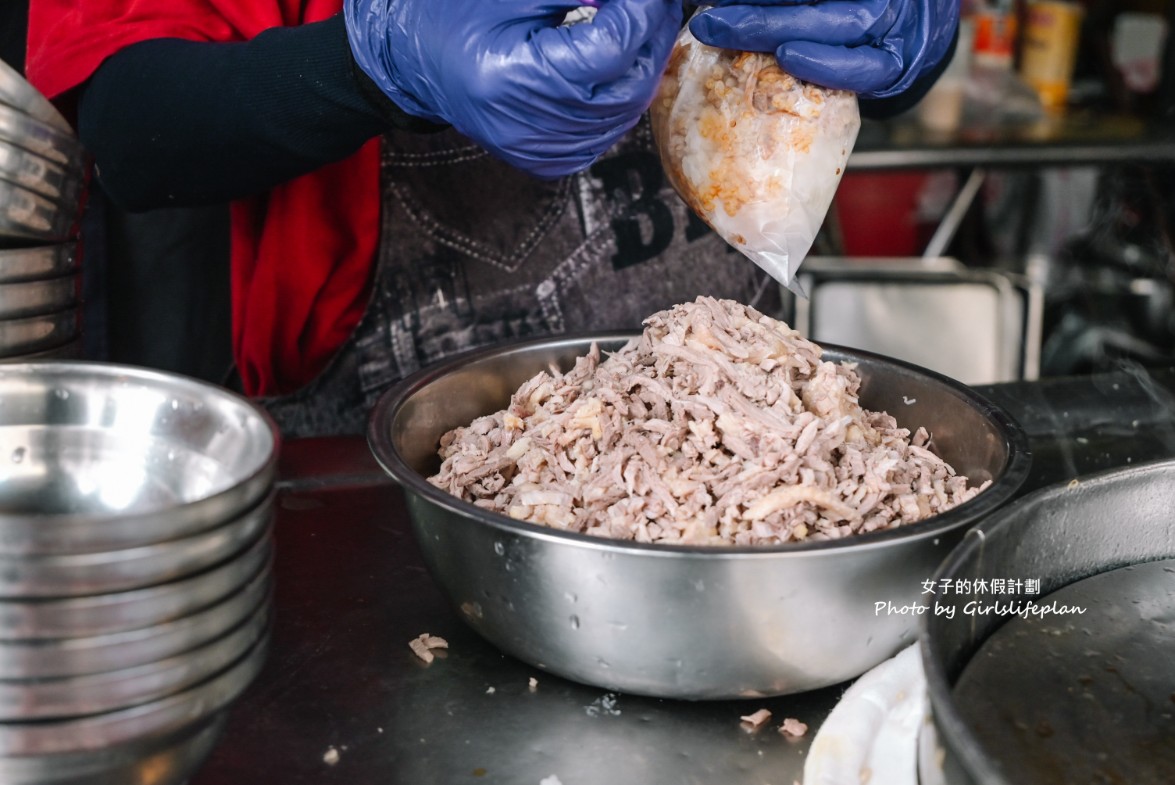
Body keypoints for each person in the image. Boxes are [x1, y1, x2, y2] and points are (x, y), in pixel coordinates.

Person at [25, 0, 959, 438]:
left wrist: (887, 37)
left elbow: (814, 53)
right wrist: (374, 58)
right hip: (380, 458)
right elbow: (128, 125)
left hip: (744, 413)